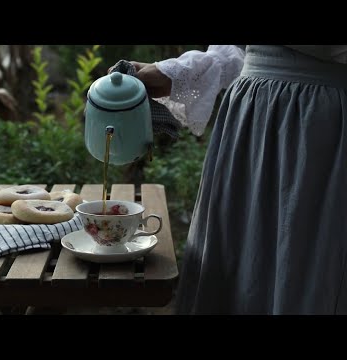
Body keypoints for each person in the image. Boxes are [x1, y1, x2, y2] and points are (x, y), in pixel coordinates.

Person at [129, 45, 347, 314]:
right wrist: (176, 73)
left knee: (304, 268)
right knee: (236, 273)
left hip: (316, 127)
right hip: (250, 121)